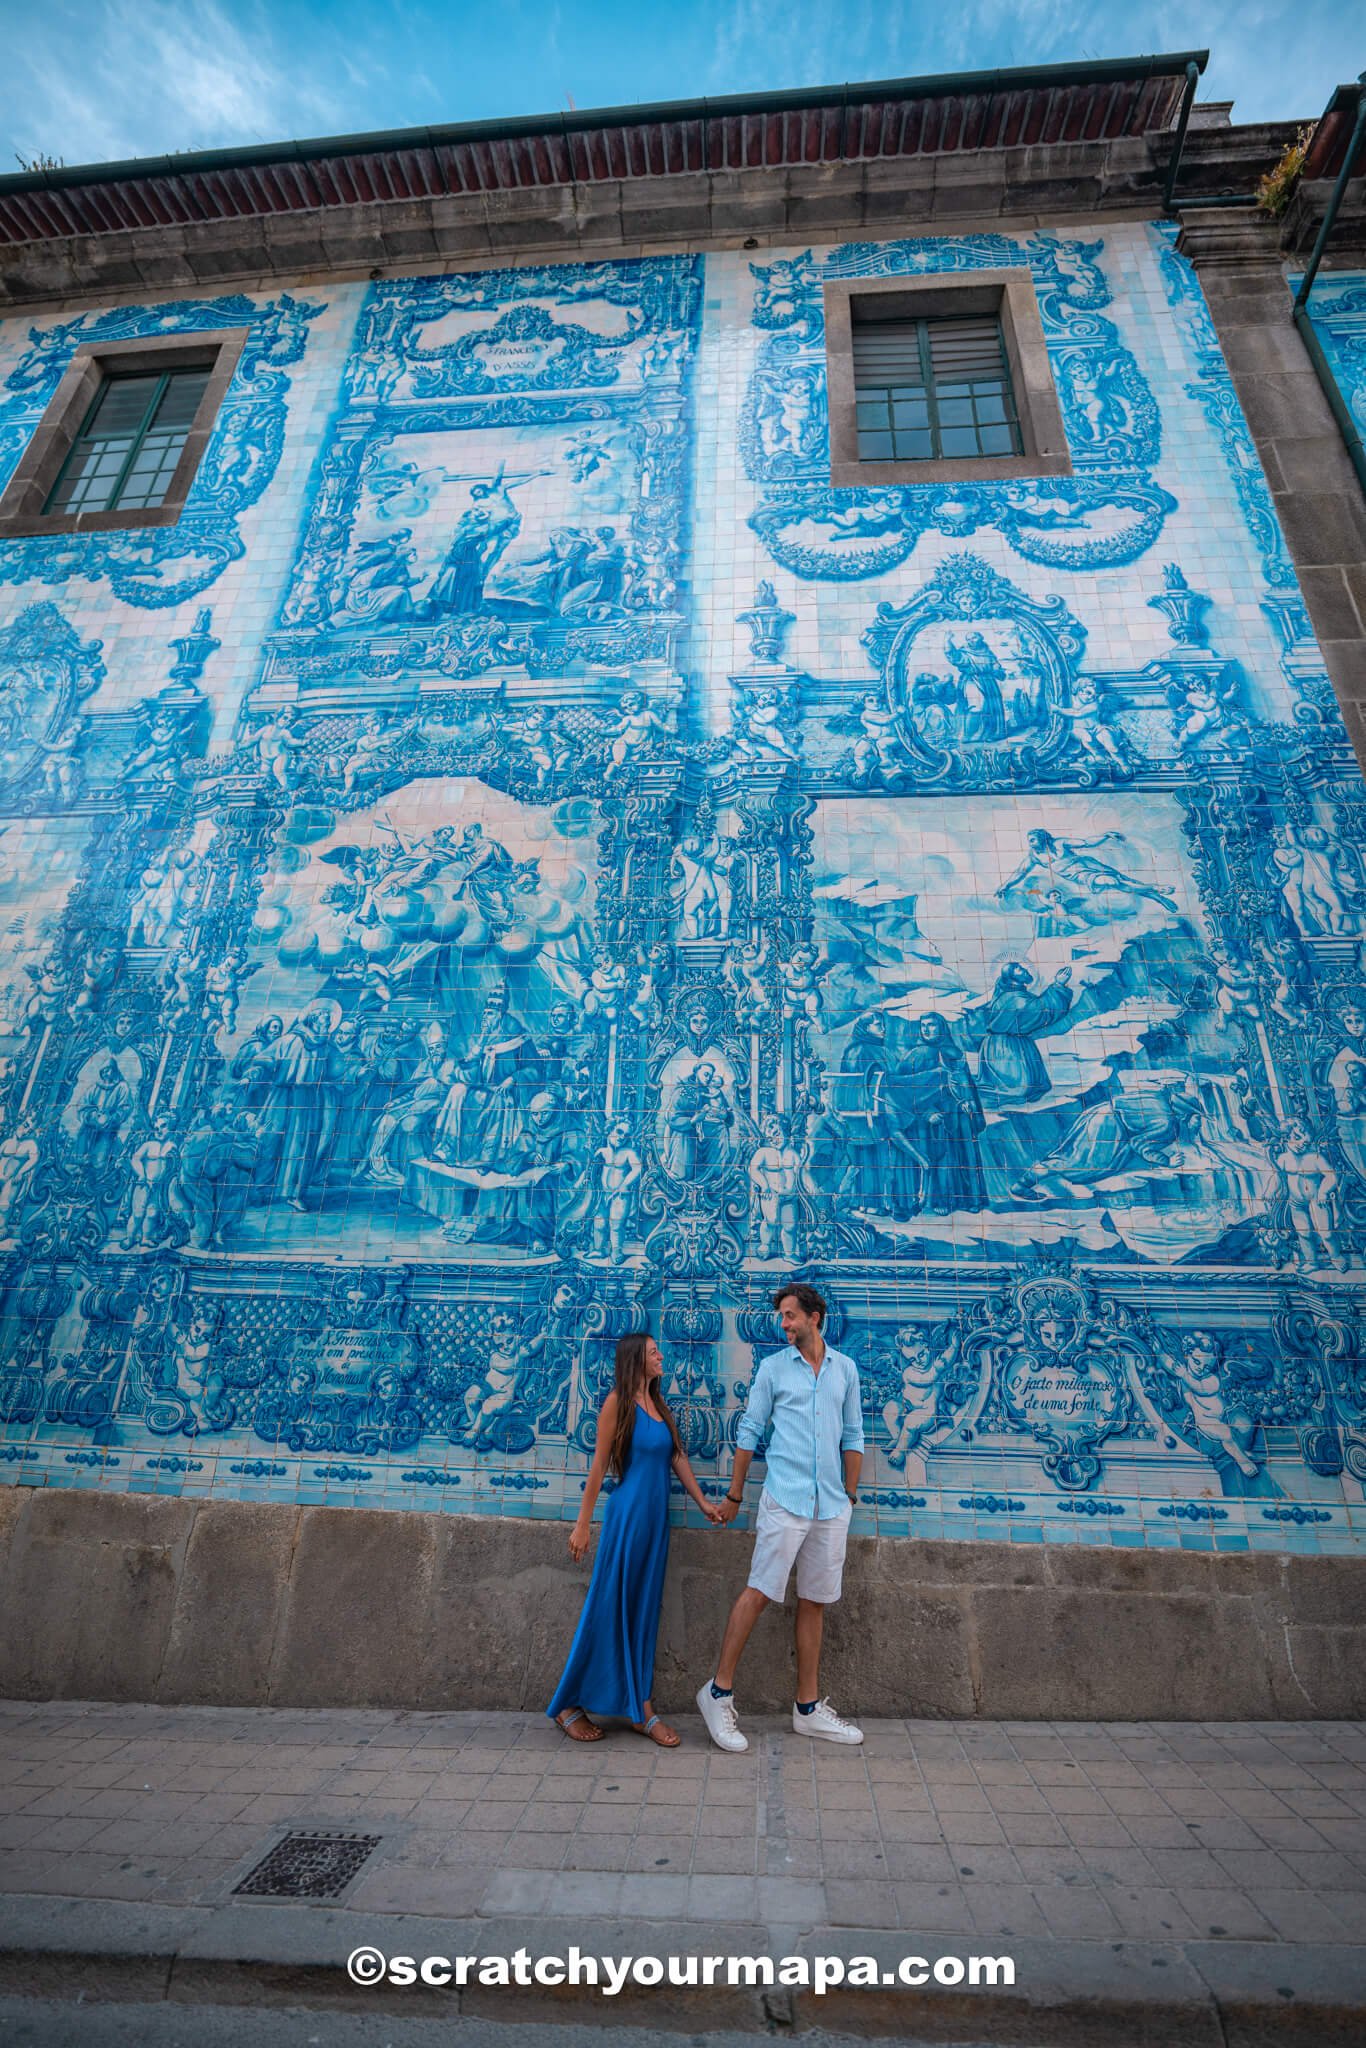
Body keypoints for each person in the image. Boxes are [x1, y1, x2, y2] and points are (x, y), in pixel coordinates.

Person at [697, 1283, 864, 1752]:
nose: (784, 1324)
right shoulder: (772, 1369)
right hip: (785, 1500)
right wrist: (734, 1493)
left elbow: (853, 1434)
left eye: (791, 1316)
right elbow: (749, 1430)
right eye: (782, 1317)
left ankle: (807, 1709)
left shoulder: (845, 1370)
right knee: (759, 1592)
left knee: (815, 1600)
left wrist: (849, 1496)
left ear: (815, 1317)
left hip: (830, 1506)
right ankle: (717, 1693)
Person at [548, 1333, 723, 1746]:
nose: (661, 1355)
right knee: (607, 1608)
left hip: (654, 1523)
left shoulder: (660, 1406)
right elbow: (598, 1466)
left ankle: (640, 1707)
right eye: (653, 1352)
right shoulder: (617, 1403)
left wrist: (702, 1503)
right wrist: (582, 1524)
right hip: (626, 1519)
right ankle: (567, 1705)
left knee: (643, 1612)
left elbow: (676, 1457)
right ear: (635, 1360)